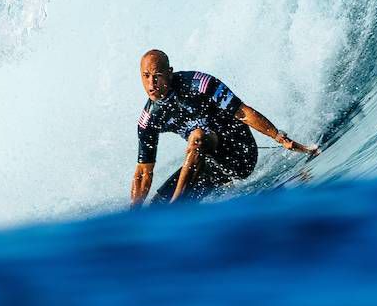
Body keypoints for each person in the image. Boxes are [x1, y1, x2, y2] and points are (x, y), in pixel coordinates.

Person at [130, 49, 319, 207]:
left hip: (240, 154)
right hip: (209, 168)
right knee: (156, 209)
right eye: (146, 77)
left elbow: (243, 112)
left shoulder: (199, 84)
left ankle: (177, 206)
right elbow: (143, 172)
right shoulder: (149, 119)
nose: (151, 84)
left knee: (198, 136)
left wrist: (280, 138)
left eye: (157, 77)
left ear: (170, 73)